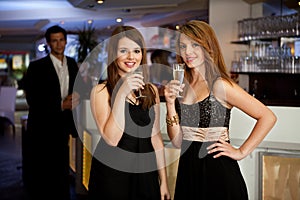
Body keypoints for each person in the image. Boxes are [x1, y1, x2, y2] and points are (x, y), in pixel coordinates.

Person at [164, 20, 277, 200]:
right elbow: (178, 142)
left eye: (195, 44)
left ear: (208, 47)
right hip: (188, 173)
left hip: (218, 175)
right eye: (183, 46)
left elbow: (267, 116)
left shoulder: (220, 85)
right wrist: (170, 104)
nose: (188, 52)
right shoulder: (182, 86)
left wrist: (241, 152)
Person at [88, 26, 171, 200]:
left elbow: (155, 138)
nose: (131, 57)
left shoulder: (151, 91)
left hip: (145, 171)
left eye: (136, 51)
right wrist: (122, 92)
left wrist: (163, 180)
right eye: (123, 51)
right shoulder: (101, 91)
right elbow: (112, 139)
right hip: (112, 173)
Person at [23, 25, 81, 200]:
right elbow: (32, 100)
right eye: (54, 41)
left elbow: (78, 88)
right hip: (43, 125)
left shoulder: (71, 63)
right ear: (48, 43)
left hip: (64, 124)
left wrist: (77, 96)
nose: (58, 44)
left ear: (65, 41)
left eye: (61, 40)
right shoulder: (36, 67)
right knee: (43, 168)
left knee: (61, 166)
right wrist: (60, 105)